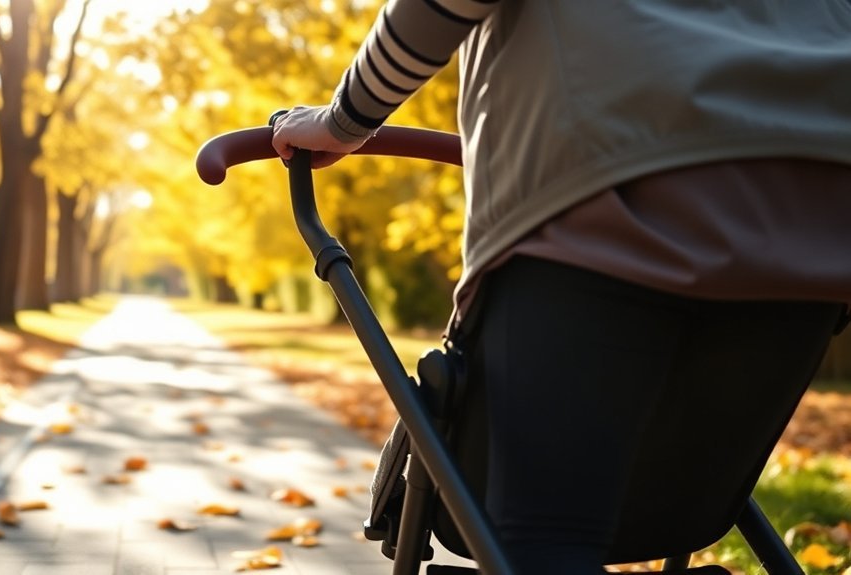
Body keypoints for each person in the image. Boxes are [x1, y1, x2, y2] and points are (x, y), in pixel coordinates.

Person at [271, 1, 851, 573]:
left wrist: (344, 121)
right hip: (821, 201)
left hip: (609, 176)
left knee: (546, 538)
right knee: (692, 462)